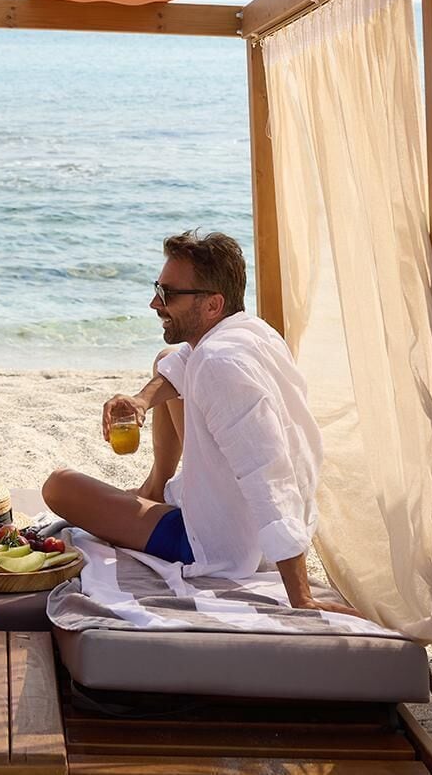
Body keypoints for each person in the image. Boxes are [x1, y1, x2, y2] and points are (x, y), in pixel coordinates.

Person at [42, 230, 352, 613]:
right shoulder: (250, 332)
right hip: (232, 518)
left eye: (169, 293)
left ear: (212, 304)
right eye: (158, 287)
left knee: (58, 487)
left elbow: (267, 477)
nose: (155, 302)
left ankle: (153, 503)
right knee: (165, 358)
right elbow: (178, 365)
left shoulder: (220, 366)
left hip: (215, 544)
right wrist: (141, 401)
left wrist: (300, 596)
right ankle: (155, 490)